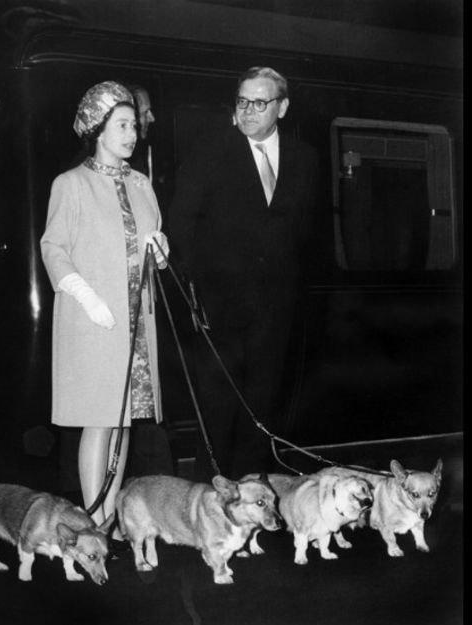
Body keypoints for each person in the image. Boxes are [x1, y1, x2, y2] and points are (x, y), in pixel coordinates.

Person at [166, 66, 319, 483]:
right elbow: (180, 227)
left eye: (260, 102)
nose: (249, 110)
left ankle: (254, 494)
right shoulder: (210, 153)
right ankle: (209, 500)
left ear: (282, 107)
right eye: (242, 101)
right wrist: (195, 296)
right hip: (219, 310)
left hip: (276, 311)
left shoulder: (305, 160)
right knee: (217, 410)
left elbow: (304, 236)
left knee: (262, 407)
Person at [41, 81, 170, 524]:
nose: (132, 133)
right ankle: (94, 522)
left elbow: (147, 253)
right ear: (98, 129)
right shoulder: (71, 184)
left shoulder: (142, 184)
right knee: (99, 420)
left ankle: (109, 520)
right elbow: (53, 247)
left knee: (124, 422)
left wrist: (159, 254)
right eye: (122, 125)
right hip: (95, 320)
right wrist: (83, 293)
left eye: (134, 124)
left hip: (135, 323)